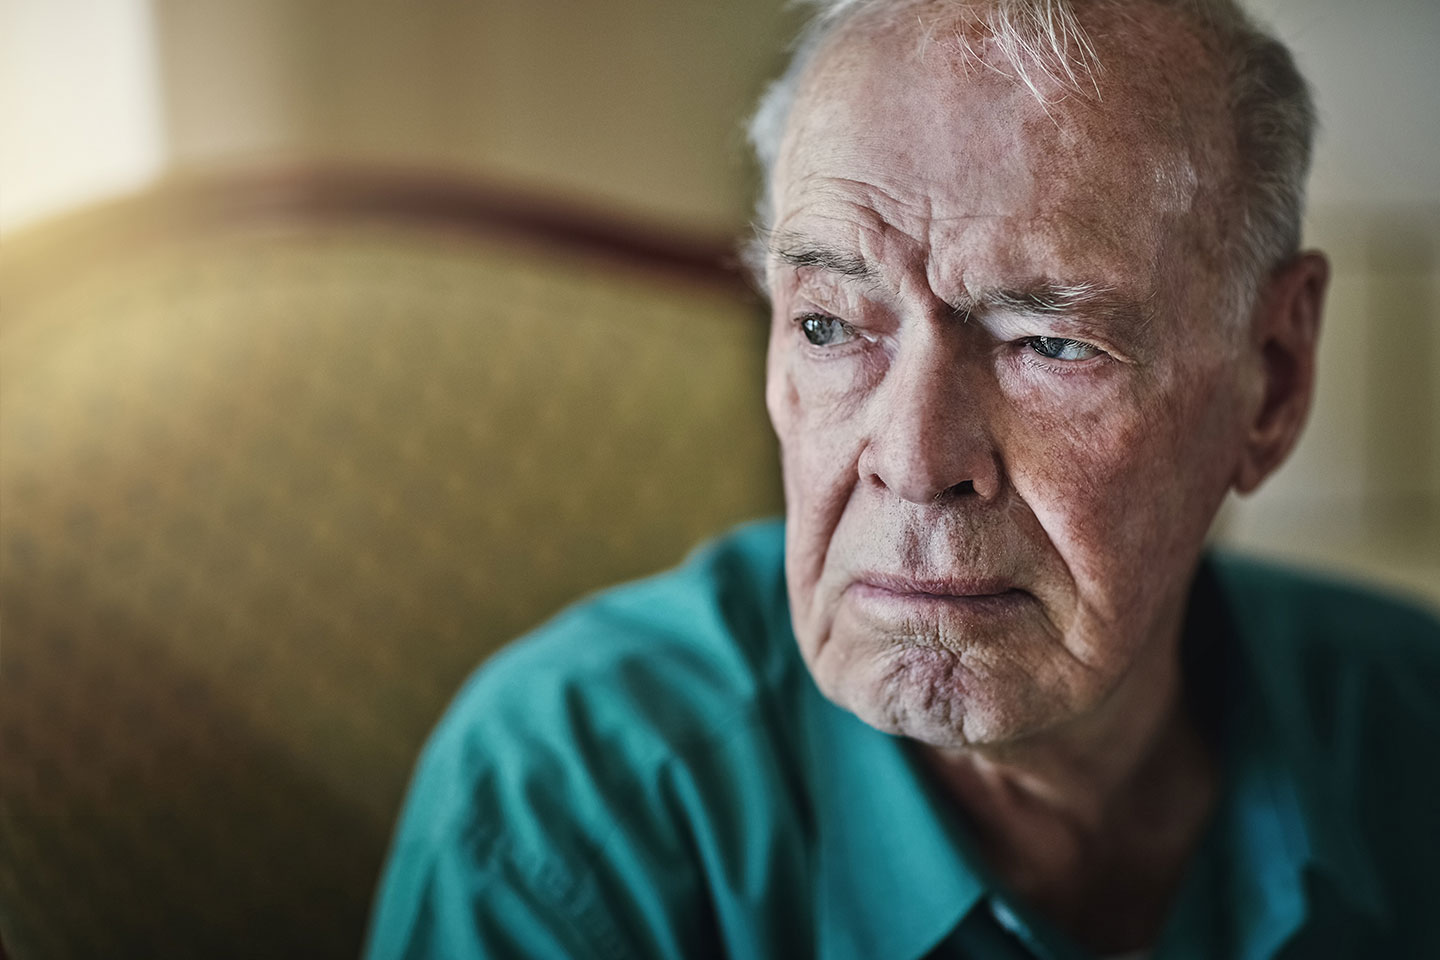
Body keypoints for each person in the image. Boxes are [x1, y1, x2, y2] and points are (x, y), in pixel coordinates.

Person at [364, 1, 1440, 956]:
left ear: (1273, 379)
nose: (916, 464)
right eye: (830, 326)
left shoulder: (1413, 737)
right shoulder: (570, 810)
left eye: (1050, 342)